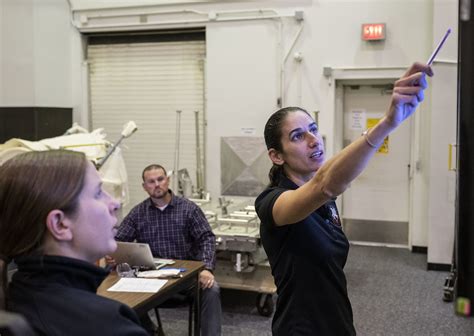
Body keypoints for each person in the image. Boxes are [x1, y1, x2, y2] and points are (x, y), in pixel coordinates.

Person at [255, 62, 433, 335]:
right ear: (277, 156)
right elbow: (324, 184)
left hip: (337, 322)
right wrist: (386, 123)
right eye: (298, 136)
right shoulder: (271, 202)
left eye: (313, 129)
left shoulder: (324, 201)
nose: (313, 140)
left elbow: (324, 186)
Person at [0, 150, 148, 336]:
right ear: (60, 224)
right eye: (97, 193)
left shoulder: (17, 293)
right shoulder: (107, 326)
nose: (115, 203)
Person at [115, 164, 222, 336]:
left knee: (211, 289)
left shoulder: (189, 209)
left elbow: (206, 238)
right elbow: (119, 241)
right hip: (151, 277)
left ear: (168, 181)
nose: (156, 184)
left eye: (160, 179)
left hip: (186, 278)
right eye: (151, 182)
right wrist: (115, 255)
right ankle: (150, 332)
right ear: (144, 187)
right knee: (122, 296)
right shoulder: (138, 213)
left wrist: (207, 269)